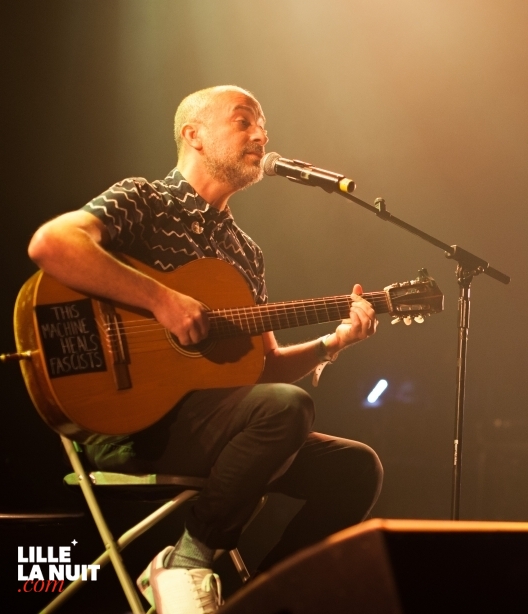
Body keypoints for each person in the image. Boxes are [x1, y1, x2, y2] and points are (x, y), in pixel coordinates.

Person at [27, 85, 383, 613]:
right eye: (244, 122)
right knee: (289, 406)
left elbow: (262, 371)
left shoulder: (245, 252)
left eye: (264, 126)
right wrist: (162, 301)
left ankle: (265, 600)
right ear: (193, 135)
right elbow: (52, 244)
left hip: (209, 426)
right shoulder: (144, 200)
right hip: (129, 421)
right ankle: (186, 564)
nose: (261, 135)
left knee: (355, 468)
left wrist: (334, 342)